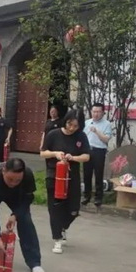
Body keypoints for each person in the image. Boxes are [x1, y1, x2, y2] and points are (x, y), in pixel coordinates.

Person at [0, 158, 45, 272]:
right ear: (3, 171)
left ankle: (34, 262)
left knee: (25, 220)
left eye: (18, 180)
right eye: (10, 179)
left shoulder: (28, 175)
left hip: (17, 196)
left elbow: (28, 199)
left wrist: (15, 215)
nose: (13, 183)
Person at [40, 109, 90, 254]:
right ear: (65, 121)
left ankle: (63, 227)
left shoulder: (81, 136)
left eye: (75, 126)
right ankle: (57, 239)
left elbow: (86, 156)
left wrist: (73, 157)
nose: (72, 128)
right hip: (54, 175)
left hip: (72, 176)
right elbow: (43, 153)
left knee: (74, 209)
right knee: (55, 208)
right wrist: (55, 153)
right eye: (69, 124)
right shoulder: (53, 134)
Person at [82, 103, 113, 206]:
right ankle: (86, 195)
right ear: (91, 112)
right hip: (87, 150)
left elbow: (106, 139)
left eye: (98, 112)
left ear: (103, 113)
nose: (96, 114)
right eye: (94, 111)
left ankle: (98, 197)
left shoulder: (107, 124)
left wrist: (96, 131)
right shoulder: (87, 123)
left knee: (98, 174)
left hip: (99, 151)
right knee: (87, 174)